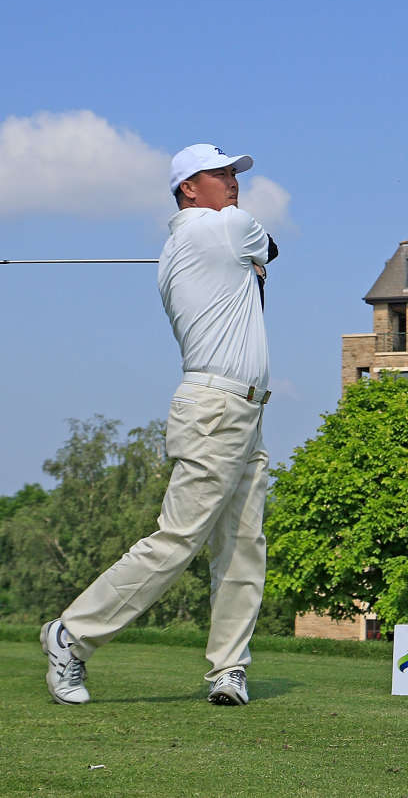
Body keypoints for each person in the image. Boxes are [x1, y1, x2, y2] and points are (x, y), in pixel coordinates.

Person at [41, 144, 277, 706]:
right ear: (188, 189)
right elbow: (271, 247)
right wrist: (252, 257)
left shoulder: (194, 241)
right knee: (178, 538)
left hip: (245, 409)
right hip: (216, 407)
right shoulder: (218, 229)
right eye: (218, 174)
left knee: (244, 544)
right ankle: (72, 635)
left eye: (233, 173)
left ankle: (228, 667)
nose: (232, 182)